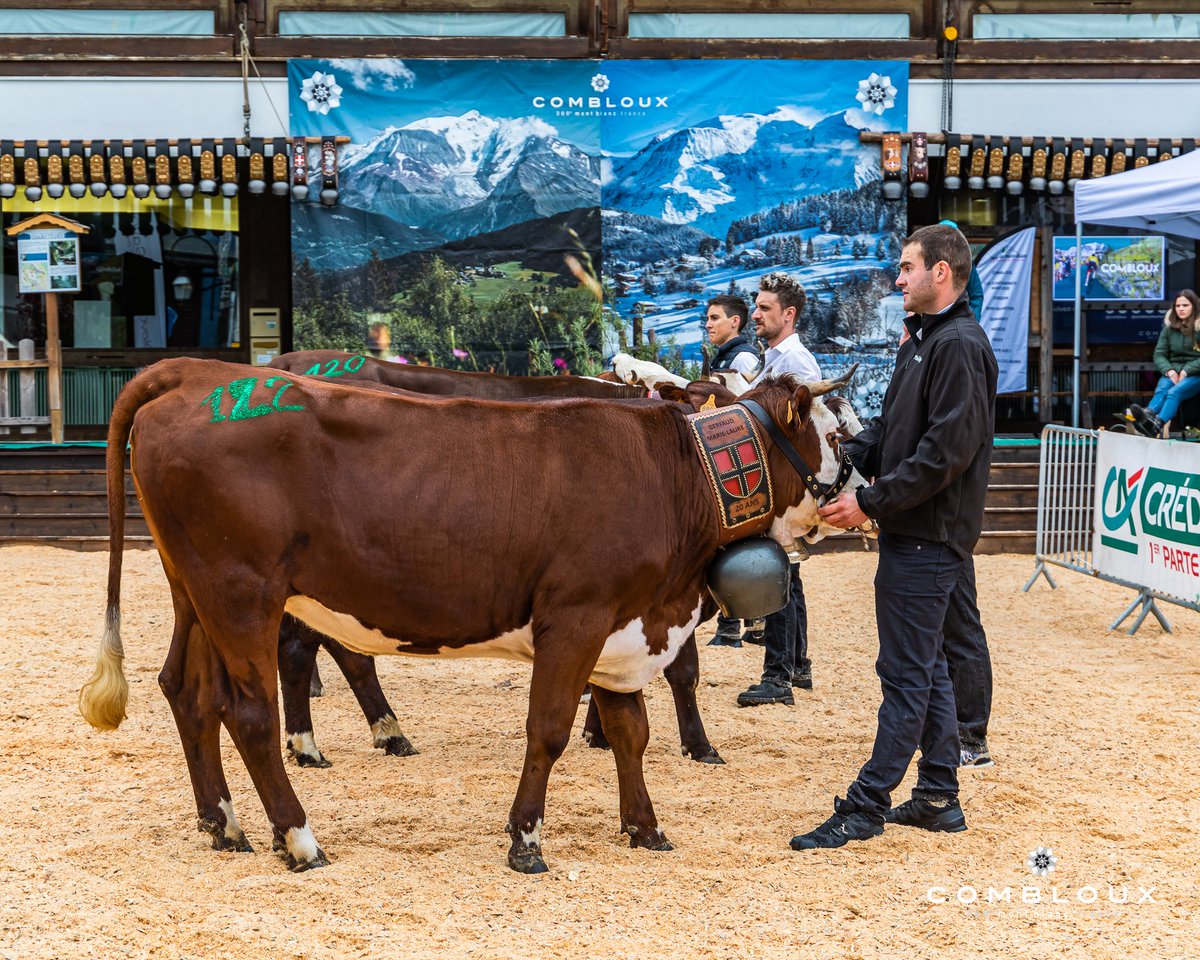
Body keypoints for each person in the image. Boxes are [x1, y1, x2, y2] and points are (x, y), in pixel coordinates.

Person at [791, 224, 997, 850]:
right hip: (917, 532)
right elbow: (893, 424)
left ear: (942, 272)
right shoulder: (924, 341)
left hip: (929, 536)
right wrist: (843, 457)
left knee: (905, 675)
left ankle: (866, 804)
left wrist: (870, 500)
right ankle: (938, 795)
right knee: (928, 667)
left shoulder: (958, 344)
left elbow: (945, 453)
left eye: (907, 268)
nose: (898, 278)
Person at [735, 273, 821, 707]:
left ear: (788, 314)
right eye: (756, 306)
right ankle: (798, 667)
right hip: (775, 482)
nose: (756, 314)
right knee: (790, 574)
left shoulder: (796, 366)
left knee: (780, 571)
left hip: (782, 485)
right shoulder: (775, 358)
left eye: (765, 308)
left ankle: (778, 677)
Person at [935, 220, 995, 770]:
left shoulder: (960, 340)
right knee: (952, 623)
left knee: (961, 624)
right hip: (939, 513)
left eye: (909, 267)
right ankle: (955, 729)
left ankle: (972, 736)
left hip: (949, 514)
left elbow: (952, 444)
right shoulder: (945, 336)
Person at [704, 294, 767, 648]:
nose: (709, 323)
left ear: (735, 322)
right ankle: (744, 624)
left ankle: (738, 625)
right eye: (708, 318)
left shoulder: (742, 357)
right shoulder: (727, 355)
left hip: (733, 453)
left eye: (715, 318)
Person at [1130, 289, 1200, 438]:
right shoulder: (1169, 328)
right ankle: (1147, 415)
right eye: (1178, 305)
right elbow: (1159, 354)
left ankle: (1156, 425)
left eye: (1185, 305)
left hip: (1196, 374)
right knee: (1162, 388)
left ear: (1194, 306)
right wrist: (1169, 370)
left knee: (1174, 392)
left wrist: (1187, 370)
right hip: (1174, 370)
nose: (1180, 309)